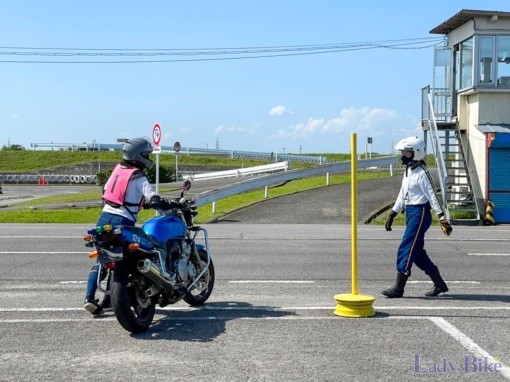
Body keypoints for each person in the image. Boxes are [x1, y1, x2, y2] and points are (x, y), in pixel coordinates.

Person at [84, 137, 172, 315]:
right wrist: (160, 203)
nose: (149, 157)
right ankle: (111, 299)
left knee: (103, 260)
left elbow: (107, 191)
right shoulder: (138, 176)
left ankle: (90, 298)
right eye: (147, 154)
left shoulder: (117, 171)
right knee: (122, 261)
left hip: (104, 219)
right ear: (139, 156)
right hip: (123, 221)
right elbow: (152, 197)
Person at [382, 136, 453, 298]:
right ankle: (439, 284)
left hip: (420, 213)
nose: (403, 156)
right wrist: (393, 213)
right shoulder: (409, 171)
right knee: (417, 252)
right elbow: (402, 194)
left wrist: (442, 217)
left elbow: (433, 195)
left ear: (417, 153)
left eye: (407, 153)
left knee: (407, 247)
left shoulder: (422, 173)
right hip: (410, 212)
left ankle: (399, 288)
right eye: (403, 153)